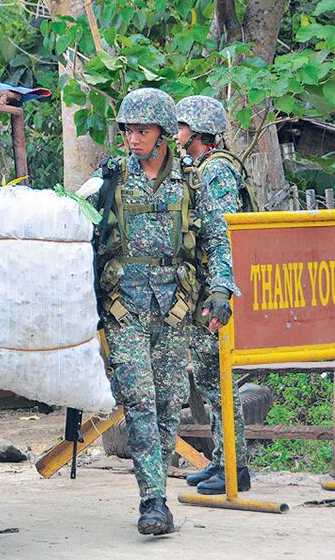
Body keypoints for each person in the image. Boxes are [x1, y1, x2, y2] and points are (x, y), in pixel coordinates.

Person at [86, 88, 237, 536]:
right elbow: (79, 228)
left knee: (169, 405)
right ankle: (153, 501)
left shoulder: (192, 183)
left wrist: (221, 290)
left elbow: (216, 238)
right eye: (128, 130)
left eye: (142, 130)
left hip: (175, 311)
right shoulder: (110, 179)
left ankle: (156, 492)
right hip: (124, 309)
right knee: (139, 403)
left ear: (165, 134)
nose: (133, 139)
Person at [176, 94, 251, 495]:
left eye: (181, 128)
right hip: (206, 289)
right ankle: (226, 462)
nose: (176, 135)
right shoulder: (202, 168)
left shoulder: (217, 171)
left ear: (198, 132)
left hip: (215, 292)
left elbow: (216, 234)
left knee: (219, 381)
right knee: (210, 382)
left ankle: (235, 468)